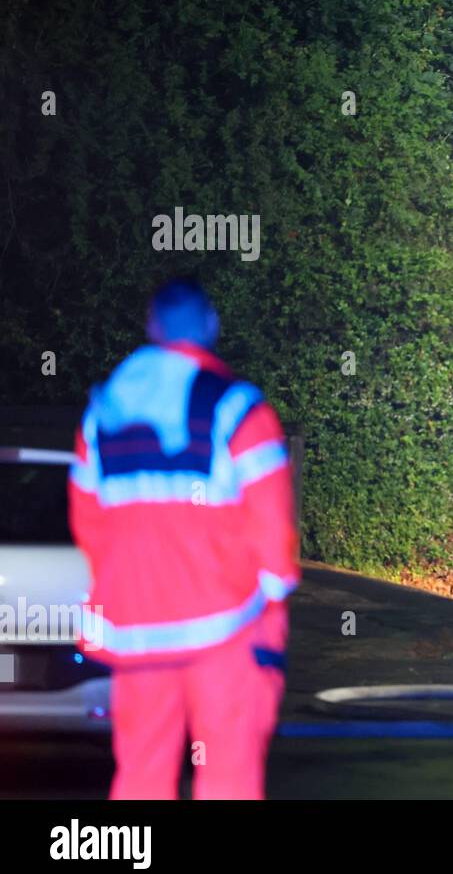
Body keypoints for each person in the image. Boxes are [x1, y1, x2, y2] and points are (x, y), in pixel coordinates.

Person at [68, 278, 298, 800]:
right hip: (222, 627)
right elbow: (271, 526)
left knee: (141, 777)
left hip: (135, 633)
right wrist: (272, 603)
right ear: (212, 326)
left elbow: (90, 524)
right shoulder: (236, 409)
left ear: (151, 327)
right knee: (227, 775)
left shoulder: (102, 414)